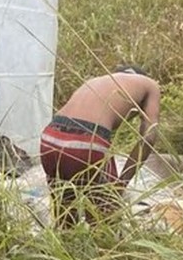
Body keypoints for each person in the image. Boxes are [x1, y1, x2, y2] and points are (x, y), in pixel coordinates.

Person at [39, 64, 161, 227]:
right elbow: (149, 136)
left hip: (50, 137)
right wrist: (121, 182)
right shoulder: (149, 84)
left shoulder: (96, 82)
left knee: (66, 219)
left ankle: (63, 248)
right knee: (106, 222)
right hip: (86, 141)